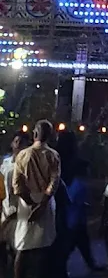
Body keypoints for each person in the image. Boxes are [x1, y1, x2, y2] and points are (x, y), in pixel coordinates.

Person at [12, 119, 61, 278]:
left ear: (34, 134)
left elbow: (17, 185)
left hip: (27, 204)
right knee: (44, 245)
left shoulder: (22, 155)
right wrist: (42, 205)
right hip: (46, 204)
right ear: (50, 136)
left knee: (23, 245)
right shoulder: (53, 155)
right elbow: (54, 182)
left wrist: (30, 203)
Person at [1, 132, 31, 276]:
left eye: (22, 142)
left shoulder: (27, 165)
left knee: (17, 249)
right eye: (16, 141)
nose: (18, 144)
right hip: (5, 209)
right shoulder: (5, 163)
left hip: (18, 212)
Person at [66, 159, 102, 271]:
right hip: (77, 221)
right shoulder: (81, 185)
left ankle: (91, 264)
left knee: (81, 244)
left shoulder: (74, 183)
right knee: (74, 245)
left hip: (72, 220)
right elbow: (83, 203)